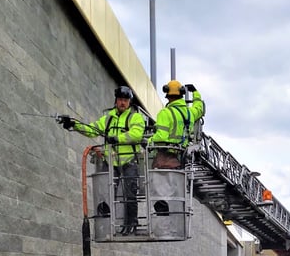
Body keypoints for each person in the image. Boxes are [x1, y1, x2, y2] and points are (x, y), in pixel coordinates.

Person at [59, 86, 145, 235]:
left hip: (129, 162)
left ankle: (132, 223)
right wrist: (74, 124)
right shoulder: (108, 119)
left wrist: (117, 138)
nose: (122, 103)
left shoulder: (135, 117)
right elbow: (92, 130)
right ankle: (109, 225)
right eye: (120, 100)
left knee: (130, 194)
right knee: (105, 193)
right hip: (111, 163)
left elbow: (136, 135)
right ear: (116, 101)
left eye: (125, 100)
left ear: (129, 102)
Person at [148, 80, 205, 169]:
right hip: (182, 158)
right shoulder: (190, 113)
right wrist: (195, 93)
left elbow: (161, 137)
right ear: (181, 95)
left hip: (166, 159)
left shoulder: (165, 113)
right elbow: (199, 109)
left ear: (168, 96)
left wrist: (149, 141)